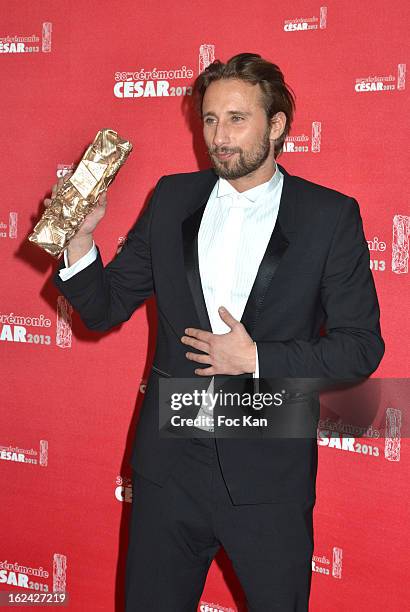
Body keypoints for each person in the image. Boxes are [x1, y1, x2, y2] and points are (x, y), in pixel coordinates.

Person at [51, 53, 384, 611]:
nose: (218, 137)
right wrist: (82, 240)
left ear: (276, 125)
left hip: (268, 475)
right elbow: (103, 309)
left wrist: (256, 358)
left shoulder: (330, 216)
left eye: (236, 119)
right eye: (209, 119)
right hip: (170, 469)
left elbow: (361, 347)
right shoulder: (172, 198)